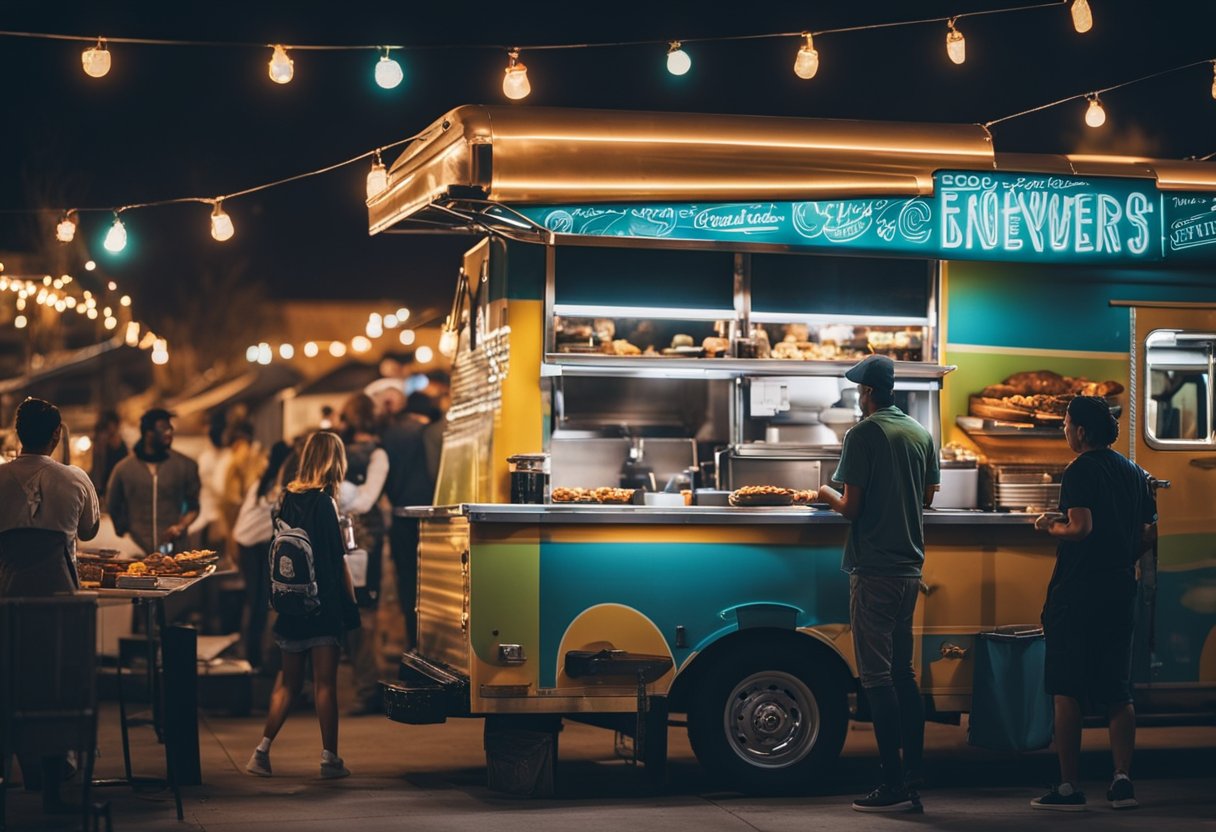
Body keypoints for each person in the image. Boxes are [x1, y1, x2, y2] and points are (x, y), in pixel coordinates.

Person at [817, 355, 939, 813]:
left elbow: (850, 507)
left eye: (859, 391)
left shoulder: (862, 434)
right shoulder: (920, 433)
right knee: (903, 675)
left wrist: (823, 491)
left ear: (866, 393)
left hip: (874, 570)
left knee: (876, 678)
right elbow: (927, 496)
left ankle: (891, 783)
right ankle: (914, 772)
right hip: (910, 571)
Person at [1031, 396, 1156, 812]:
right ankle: (1122, 781)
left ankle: (1068, 786)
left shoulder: (1080, 470)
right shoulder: (1135, 472)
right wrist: (1122, 559)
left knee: (1067, 689)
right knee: (1118, 690)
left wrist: (1051, 525)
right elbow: (1148, 536)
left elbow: (1081, 527)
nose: (1064, 430)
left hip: (1078, 592)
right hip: (1120, 589)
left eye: (1066, 424)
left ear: (1081, 431)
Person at [0, 397, 100, 811]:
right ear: (58, 434)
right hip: (61, 600)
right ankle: (58, 776)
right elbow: (89, 530)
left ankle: (20, 771)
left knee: (12, 685)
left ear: (17, 433)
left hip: (8, 599)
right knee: (59, 686)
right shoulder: (75, 478)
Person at [246, 431, 359, 780]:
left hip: (291, 605)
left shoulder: (286, 497)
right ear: (334, 461)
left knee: (287, 684)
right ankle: (330, 759)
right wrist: (352, 606)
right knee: (325, 684)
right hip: (322, 607)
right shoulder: (325, 502)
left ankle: (261, 752)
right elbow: (337, 561)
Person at [337, 394, 391, 715]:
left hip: (358, 539)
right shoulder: (378, 454)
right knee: (362, 609)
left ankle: (368, 685)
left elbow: (362, 500)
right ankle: (367, 684)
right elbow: (367, 498)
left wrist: (341, 494)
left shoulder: (342, 451)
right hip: (364, 536)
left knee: (360, 610)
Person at [381, 391, 436, 649]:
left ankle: (411, 642)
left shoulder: (389, 435)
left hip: (400, 516)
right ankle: (428, 644)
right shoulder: (429, 433)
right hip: (430, 518)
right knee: (430, 582)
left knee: (407, 583)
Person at [232, 441, 293, 672]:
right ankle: (252, 658)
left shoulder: (264, 482)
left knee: (259, 600)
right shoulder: (275, 487)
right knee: (257, 600)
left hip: (250, 542)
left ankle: (253, 656)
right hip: (250, 544)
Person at [106, 408, 201, 554]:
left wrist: (180, 526)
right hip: (137, 551)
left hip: (175, 550)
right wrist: (124, 533)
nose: (169, 432)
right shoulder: (123, 469)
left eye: (170, 427)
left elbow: (193, 507)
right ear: (148, 433)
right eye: (163, 428)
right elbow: (113, 504)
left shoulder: (185, 465)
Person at [89, 409, 128, 499]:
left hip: (119, 483)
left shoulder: (121, 442)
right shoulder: (102, 443)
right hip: (106, 486)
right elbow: (98, 467)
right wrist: (98, 489)